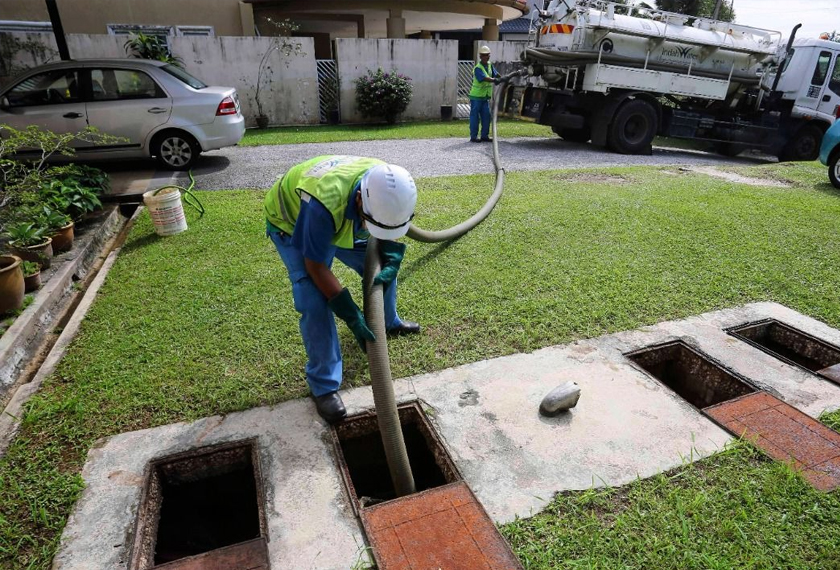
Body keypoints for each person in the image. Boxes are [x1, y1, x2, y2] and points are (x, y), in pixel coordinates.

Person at [265, 155, 421, 425]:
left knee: (381, 266)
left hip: (343, 218)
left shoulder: (388, 186)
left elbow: (388, 224)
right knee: (314, 298)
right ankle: (324, 386)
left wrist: (391, 251)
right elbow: (315, 265)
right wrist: (352, 315)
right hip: (293, 224)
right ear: (360, 199)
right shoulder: (322, 204)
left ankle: (387, 322)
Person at [469, 45, 501, 143]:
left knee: (486, 116)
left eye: (487, 55)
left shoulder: (490, 65)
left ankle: (484, 136)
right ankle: (473, 137)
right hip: (476, 97)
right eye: (483, 55)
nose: (485, 57)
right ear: (480, 56)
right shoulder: (478, 68)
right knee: (475, 117)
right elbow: (484, 78)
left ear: (489, 56)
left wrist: (504, 78)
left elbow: (496, 74)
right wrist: (495, 80)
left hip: (485, 97)